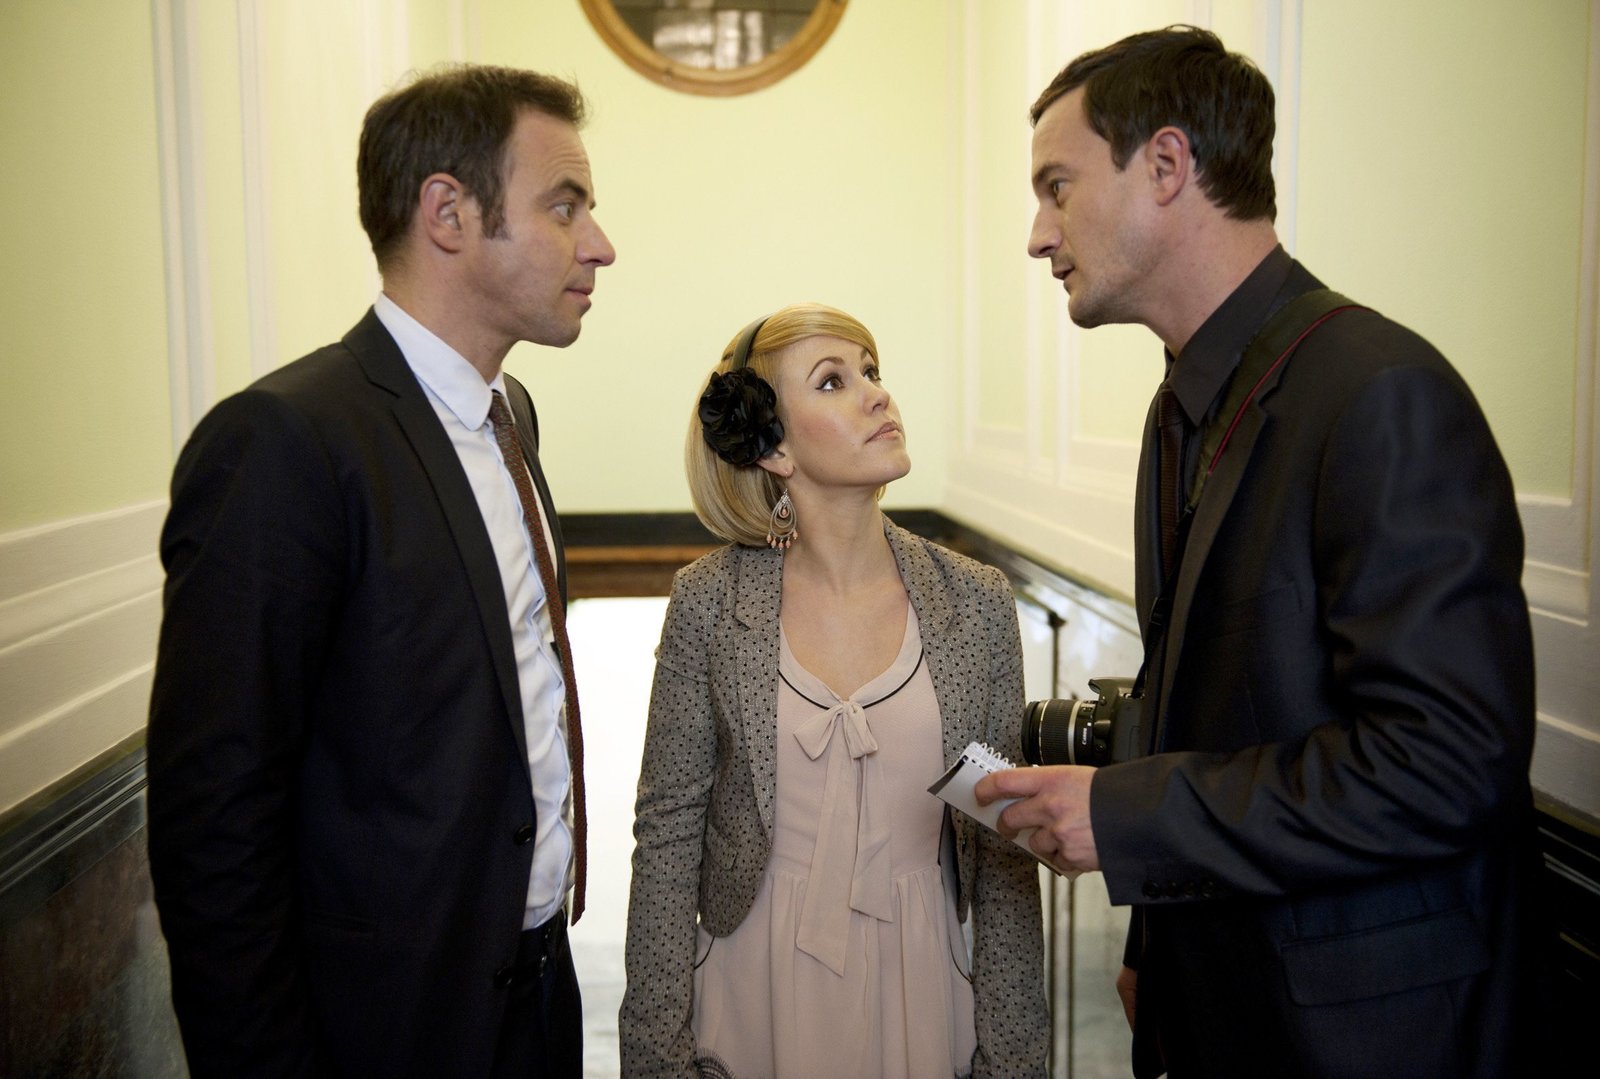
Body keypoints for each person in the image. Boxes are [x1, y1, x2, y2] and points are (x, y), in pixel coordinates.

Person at [976, 25, 1542, 1078]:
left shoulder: (1382, 395)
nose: (1037, 234)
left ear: (1166, 165)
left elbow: (1443, 764)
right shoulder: (1179, 409)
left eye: (1057, 187)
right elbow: (1210, 712)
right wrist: (1154, 949)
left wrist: (1126, 818)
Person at [147, 64, 615, 1079]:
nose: (599, 244)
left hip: (535, 999)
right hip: (386, 1028)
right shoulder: (285, 441)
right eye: (564, 205)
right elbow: (215, 821)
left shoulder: (511, 416)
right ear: (448, 212)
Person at [619, 303, 1048, 1077]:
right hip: (754, 989)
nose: (877, 394)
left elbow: (1001, 845)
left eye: (871, 370)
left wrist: (1015, 1060)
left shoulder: (974, 603)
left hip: (921, 986)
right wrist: (656, 1058)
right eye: (832, 380)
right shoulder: (710, 603)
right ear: (774, 446)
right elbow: (668, 833)